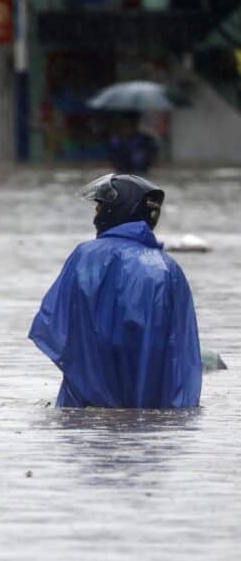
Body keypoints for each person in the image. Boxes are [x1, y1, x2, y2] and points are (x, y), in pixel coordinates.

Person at [29, 174, 202, 408]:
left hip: (88, 403)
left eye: (100, 206)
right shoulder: (169, 269)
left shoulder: (87, 256)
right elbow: (180, 350)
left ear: (118, 208)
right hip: (154, 401)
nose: (95, 215)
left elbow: (56, 326)